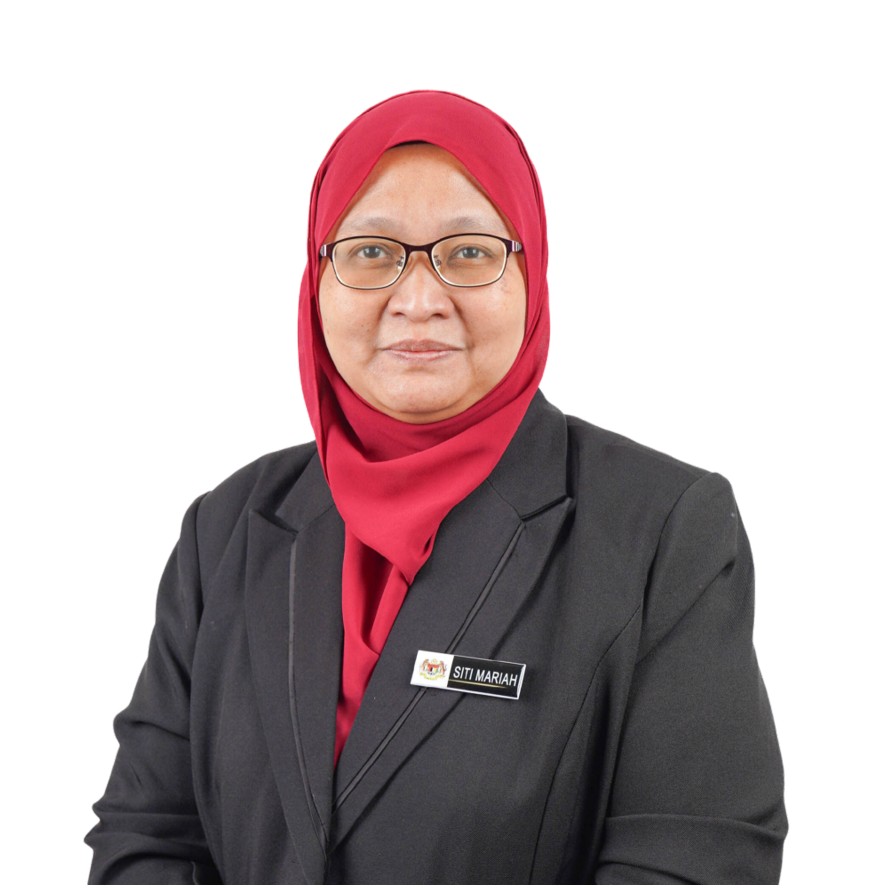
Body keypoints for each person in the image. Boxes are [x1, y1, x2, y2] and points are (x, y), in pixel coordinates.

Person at [85, 90, 787, 884]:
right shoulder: (229, 528)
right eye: (371, 252)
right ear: (317, 278)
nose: (419, 300)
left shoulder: (661, 530)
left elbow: (697, 860)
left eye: (469, 252)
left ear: (531, 271)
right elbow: (147, 835)